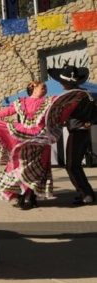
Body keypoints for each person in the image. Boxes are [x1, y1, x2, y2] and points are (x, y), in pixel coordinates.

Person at [0, 80, 85, 207]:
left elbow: (61, 111)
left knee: (37, 168)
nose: (46, 89)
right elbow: (6, 112)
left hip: (40, 139)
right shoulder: (21, 102)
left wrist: (75, 100)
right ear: (33, 87)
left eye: (46, 87)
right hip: (23, 137)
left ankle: (29, 196)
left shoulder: (49, 101)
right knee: (21, 166)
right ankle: (23, 195)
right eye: (43, 86)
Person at [48, 64, 96, 205]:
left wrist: (86, 121)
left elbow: (89, 114)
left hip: (79, 132)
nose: (61, 84)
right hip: (80, 131)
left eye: (63, 82)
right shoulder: (81, 94)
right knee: (75, 165)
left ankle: (86, 195)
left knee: (71, 165)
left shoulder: (77, 96)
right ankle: (87, 192)